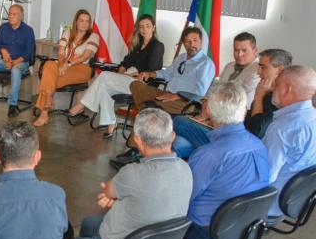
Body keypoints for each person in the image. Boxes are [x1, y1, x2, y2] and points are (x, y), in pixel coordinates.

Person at [62, 109, 192, 239]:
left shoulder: (132, 173)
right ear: (172, 136)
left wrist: (113, 194)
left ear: (137, 140)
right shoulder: (185, 168)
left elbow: (109, 191)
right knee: (89, 223)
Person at [178, 81, 270, 239]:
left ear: (209, 111)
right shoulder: (260, 146)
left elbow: (183, 198)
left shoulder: (209, 154)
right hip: (247, 227)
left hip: (206, 232)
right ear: (244, 111)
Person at [112, 26, 215, 167]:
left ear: (201, 42)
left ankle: (136, 150)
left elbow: (199, 92)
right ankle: (148, 111)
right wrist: (150, 74)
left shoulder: (206, 63)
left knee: (149, 109)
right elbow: (166, 74)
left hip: (186, 102)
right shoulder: (181, 58)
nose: (191, 44)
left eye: (195, 40)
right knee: (136, 85)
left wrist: (178, 96)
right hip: (167, 94)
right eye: (188, 41)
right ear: (183, 43)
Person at [172, 36, 274, 158]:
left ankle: (217, 154)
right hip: (214, 121)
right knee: (178, 142)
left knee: (179, 122)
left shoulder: (257, 72)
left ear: (255, 50)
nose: (239, 54)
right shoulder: (229, 66)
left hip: (227, 127)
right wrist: (205, 109)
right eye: (236, 50)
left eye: (244, 50)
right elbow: (213, 91)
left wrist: (209, 116)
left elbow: (232, 101)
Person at [65, 14, 164, 137]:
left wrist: (136, 73)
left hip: (142, 84)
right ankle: (111, 123)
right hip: (128, 79)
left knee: (104, 76)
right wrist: (120, 73)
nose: (144, 29)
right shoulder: (138, 45)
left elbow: (153, 69)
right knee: (104, 88)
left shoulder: (157, 46)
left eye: (148, 26)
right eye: (141, 27)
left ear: (153, 27)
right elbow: (125, 62)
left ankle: (81, 105)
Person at [263, 65, 316, 218]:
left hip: (269, 203)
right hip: (299, 199)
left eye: (276, 84)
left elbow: (265, 177)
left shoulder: (283, 129)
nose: (272, 89)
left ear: (287, 89)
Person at [33, 9, 100, 127]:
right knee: (49, 64)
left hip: (82, 69)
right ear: (76, 22)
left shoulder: (93, 36)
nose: (85, 24)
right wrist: (61, 64)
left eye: (87, 21)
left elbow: (84, 57)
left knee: (49, 78)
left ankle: (45, 111)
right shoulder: (68, 33)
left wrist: (67, 64)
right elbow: (60, 53)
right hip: (64, 65)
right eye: (82, 21)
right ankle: (47, 104)